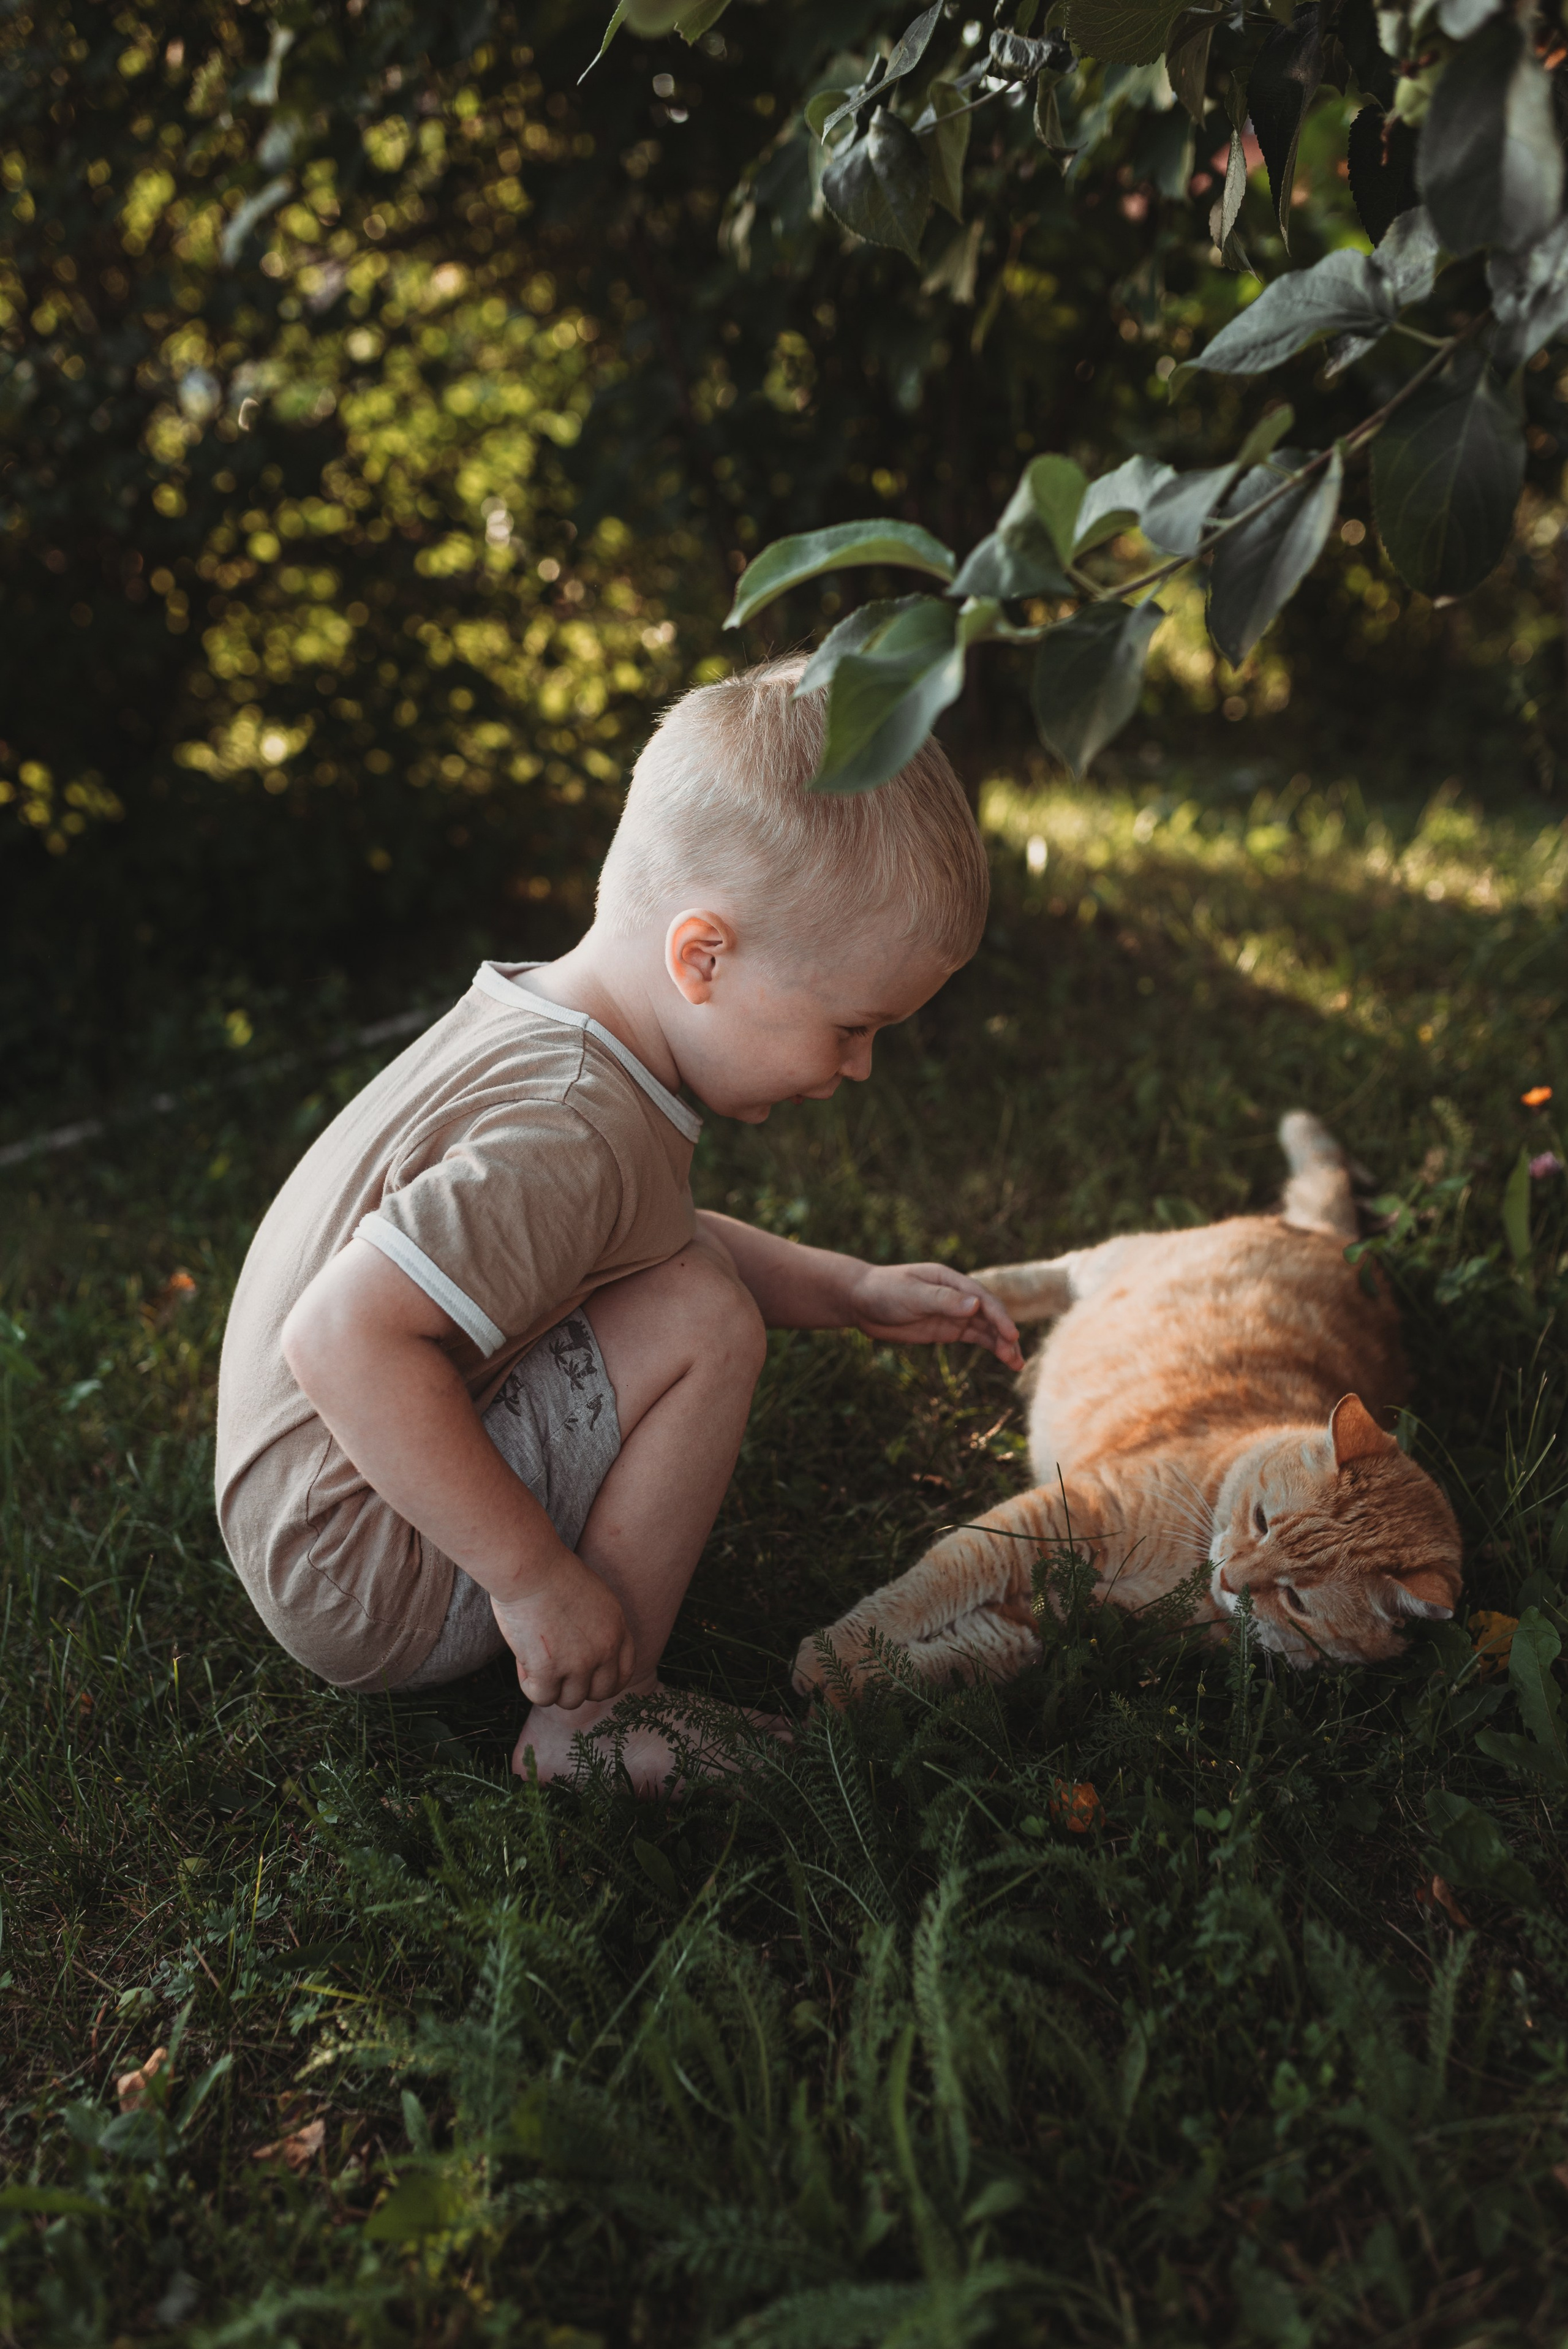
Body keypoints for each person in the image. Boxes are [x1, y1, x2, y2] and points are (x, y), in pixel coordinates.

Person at [215, 657, 1022, 1793]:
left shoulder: (558, 1033)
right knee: (706, 1319)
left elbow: (644, 1238)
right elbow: (341, 1340)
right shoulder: (571, 1127)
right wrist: (533, 1578)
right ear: (703, 957)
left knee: (688, 1281)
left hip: (324, 1515)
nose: (860, 1068)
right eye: (850, 1027)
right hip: (369, 1566)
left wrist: (849, 1291)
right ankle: (594, 1720)